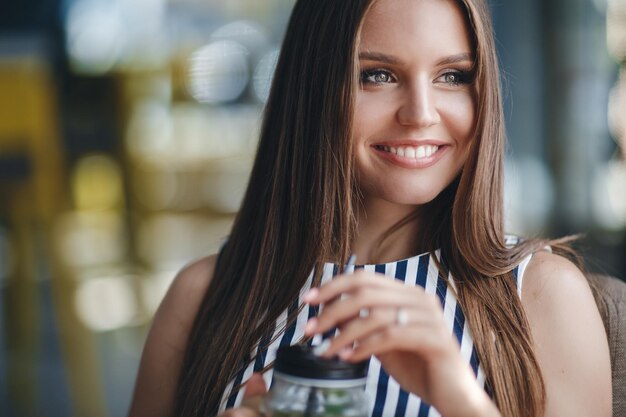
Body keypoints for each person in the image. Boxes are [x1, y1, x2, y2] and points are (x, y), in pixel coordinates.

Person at [127, 0, 612, 416]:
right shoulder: (201, 297)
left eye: (452, 76)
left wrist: (463, 399)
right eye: (377, 75)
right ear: (312, 89)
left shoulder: (544, 296)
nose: (420, 113)